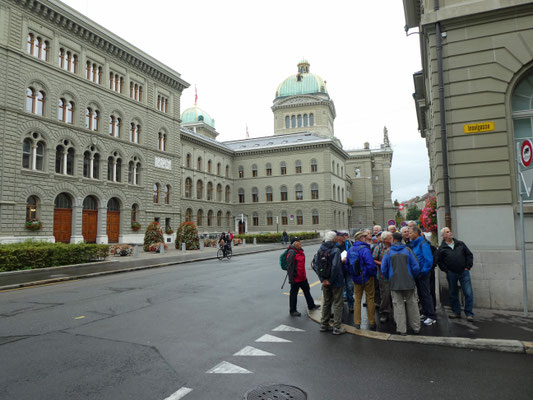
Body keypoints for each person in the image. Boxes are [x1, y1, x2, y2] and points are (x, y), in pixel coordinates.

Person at [381, 232, 421, 335]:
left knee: (398, 305)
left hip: (395, 282)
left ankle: (402, 329)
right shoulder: (408, 250)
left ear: (393, 240)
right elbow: (416, 267)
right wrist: (412, 277)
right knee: (412, 304)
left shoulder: (388, 252)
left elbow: (383, 268)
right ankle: (416, 327)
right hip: (409, 281)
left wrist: (389, 277)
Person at [437, 227, 475, 321]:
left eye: (450, 231)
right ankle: (456, 312)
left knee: (468, 293)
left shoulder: (460, 244)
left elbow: (469, 255)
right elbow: (439, 261)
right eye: (447, 232)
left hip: (463, 272)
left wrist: (468, 267)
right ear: (443, 236)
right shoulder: (442, 248)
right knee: (453, 293)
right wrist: (446, 270)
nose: (450, 233)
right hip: (451, 273)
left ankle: (469, 313)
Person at [348, 230, 377, 330]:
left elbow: (347, 264)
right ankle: (372, 321)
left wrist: (353, 275)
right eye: (364, 237)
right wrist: (372, 275)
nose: (366, 238)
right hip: (367, 277)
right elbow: (371, 265)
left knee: (357, 300)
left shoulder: (351, 249)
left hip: (356, 278)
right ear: (361, 238)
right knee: (370, 298)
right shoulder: (365, 249)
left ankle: (357, 322)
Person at [407, 226, 436, 326]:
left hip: (423, 274)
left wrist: (422, 272)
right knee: (421, 294)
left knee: (426, 294)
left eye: (410, 233)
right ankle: (425, 312)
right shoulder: (415, 244)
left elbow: (428, 261)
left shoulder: (423, 244)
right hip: (418, 274)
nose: (409, 235)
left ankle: (431, 316)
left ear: (416, 233)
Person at [318, 231, 346, 335]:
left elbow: (316, 264)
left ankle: (324, 324)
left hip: (325, 281)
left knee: (326, 302)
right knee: (338, 303)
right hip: (336, 281)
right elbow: (335, 267)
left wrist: (323, 279)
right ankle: (337, 327)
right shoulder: (336, 250)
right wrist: (331, 280)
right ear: (334, 239)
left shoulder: (321, 249)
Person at [286, 237, 319, 317]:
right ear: (294, 243)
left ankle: (311, 305)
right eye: (298, 242)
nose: (300, 243)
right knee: (294, 294)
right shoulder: (292, 253)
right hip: (296, 278)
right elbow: (290, 267)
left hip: (302, 276)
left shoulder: (300, 251)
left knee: (307, 290)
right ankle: (293, 310)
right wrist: (291, 279)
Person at [373, 231, 393, 323]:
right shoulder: (379, 247)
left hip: (394, 275)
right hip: (383, 276)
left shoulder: (394, 247)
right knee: (385, 295)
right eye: (390, 238)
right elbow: (374, 259)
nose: (392, 239)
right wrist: (383, 264)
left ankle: (394, 313)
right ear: (385, 240)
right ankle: (384, 312)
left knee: (394, 294)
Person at [337, 233, 354, 312]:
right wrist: (340, 261)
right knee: (340, 289)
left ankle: (351, 305)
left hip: (348, 269)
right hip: (339, 270)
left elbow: (352, 254)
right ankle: (340, 306)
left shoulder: (348, 244)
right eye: (342, 236)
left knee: (350, 287)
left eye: (345, 236)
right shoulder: (335, 245)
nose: (344, 237)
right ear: (338, 237)